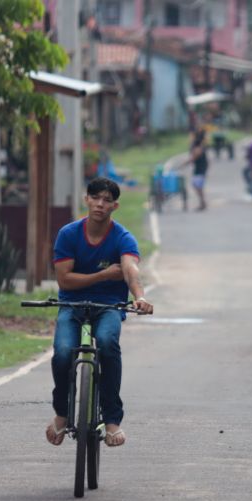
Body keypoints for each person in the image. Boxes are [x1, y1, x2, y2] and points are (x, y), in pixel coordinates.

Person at [46, 178, 154, 448]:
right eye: (95, 198)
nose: (100, 204)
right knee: (62, 353)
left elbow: (130, 270)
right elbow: (65, 281)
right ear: (87, 200)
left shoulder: (123, 237)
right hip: (72, 305)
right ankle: (62, 412)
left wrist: (139, 296)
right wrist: (103, 274)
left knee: (107, 344)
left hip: (109, 306)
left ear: (114, 206)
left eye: (106, 200)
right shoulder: (69, 234)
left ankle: (112, 419)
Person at [186, 127, 209, 211]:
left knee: (197, 186)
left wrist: (185, 163)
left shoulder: (198, 146)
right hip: (200, 168)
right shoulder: (198, 145)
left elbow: (194, 157)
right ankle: (202, 203)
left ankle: (203, 203)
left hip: (200, 169)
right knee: (197, 186)